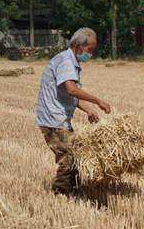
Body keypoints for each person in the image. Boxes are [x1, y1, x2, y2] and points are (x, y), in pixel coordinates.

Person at [35, 27, 111, 196]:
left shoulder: (70, 61)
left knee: (76, 154)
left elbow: (71, 94)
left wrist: (88, 110)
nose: (91, 53)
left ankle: (73, 192)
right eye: (90, 49)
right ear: (78, 47)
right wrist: (98, 101)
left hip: (59, 118)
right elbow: (71, 90)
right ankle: (59, 195)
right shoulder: (66, 62)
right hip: (52, 119)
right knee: (69, 159)